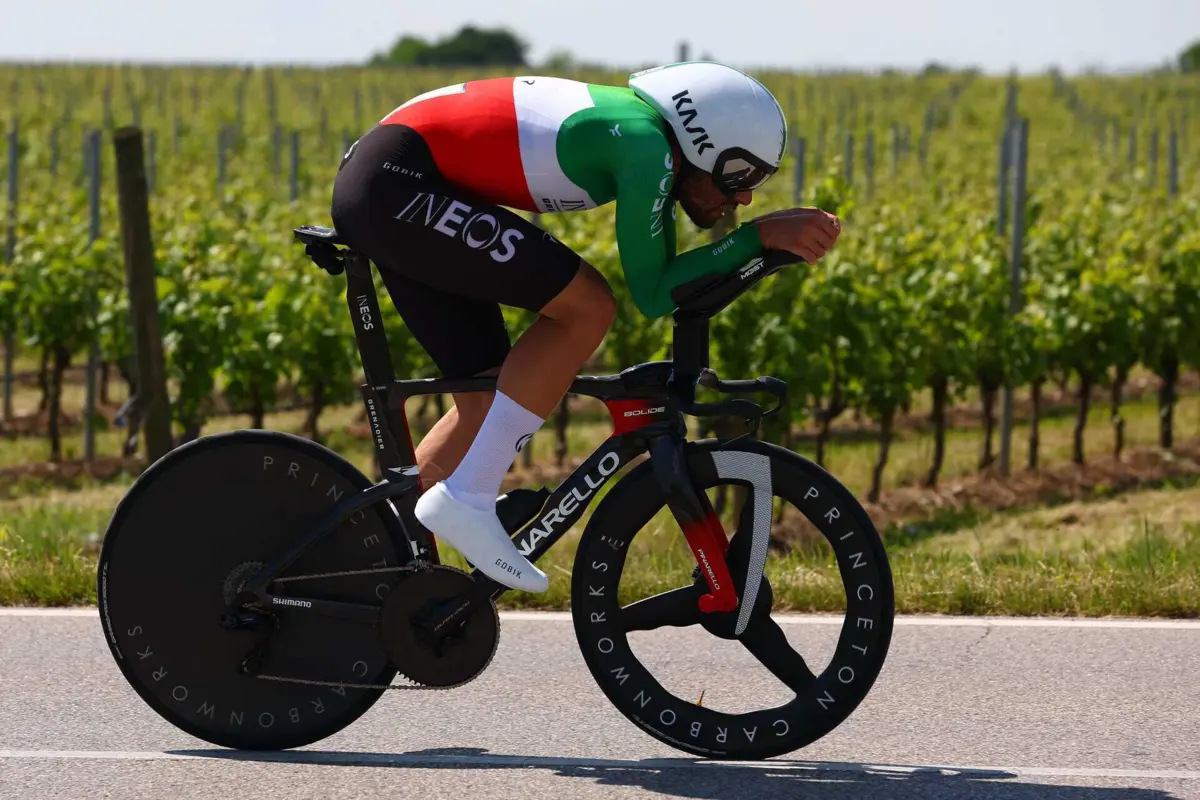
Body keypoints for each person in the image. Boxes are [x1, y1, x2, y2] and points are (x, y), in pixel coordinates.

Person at [330, 61, 841, 594]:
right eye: (740, 177)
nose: (744, 198)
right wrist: (757, 238)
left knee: (487, 402)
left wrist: (758, 243)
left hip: (392, 182)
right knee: (589, 306)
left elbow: (665, 283)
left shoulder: (651, 145)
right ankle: (468, 500)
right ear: (701, 144)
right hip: (395, 185)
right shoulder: (646, 148)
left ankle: (365, 567)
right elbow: (652, 294)